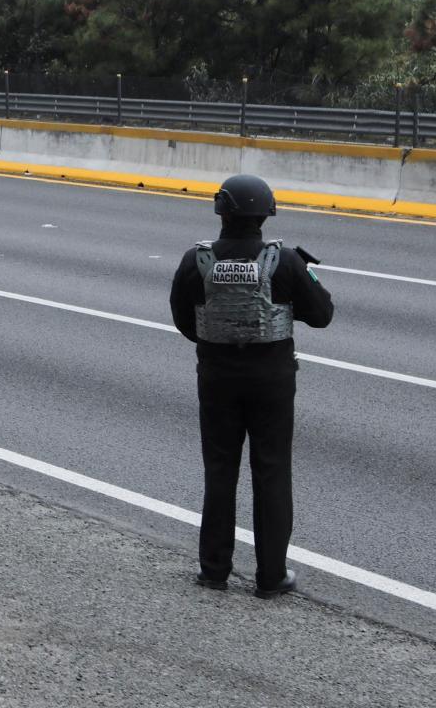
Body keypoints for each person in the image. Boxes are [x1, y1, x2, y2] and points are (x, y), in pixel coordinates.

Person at [168, 174, 333, 599]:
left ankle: (214, 571)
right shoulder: (286, 261)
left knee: (220, 470)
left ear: (221, 211)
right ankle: (271, 576)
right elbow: (322, 315)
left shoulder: (197, 259)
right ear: (267, 213)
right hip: (272, 379)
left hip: (217, 376)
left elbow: (185, 320)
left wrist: (220, 343)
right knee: (272, 470)